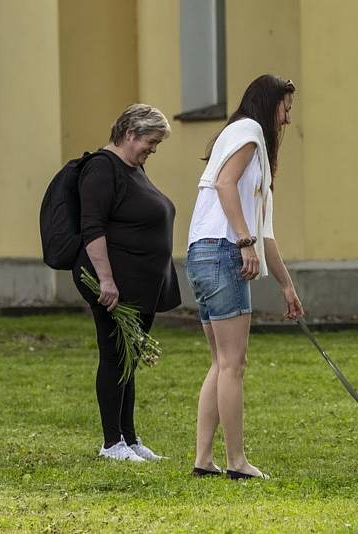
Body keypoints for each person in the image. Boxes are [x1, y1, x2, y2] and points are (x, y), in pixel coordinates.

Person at [186, 74, 304, 480]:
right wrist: (243, 241)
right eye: (285, 108)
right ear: (269, 103)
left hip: (204, 252)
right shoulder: (248, 129)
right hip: (222, 250)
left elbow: (264, 230)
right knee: (233, 364)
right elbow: (223, 184)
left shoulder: (248, 146)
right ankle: (236, 462)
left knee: (221, 362)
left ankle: (204, 460)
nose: (287, 119)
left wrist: (286, 285)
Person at [73, 103, 180, 462]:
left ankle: (129, 438)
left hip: (140, 285)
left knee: (128, 360)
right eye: (151, 141)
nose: (153, 149)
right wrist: (106, 280)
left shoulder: (133, 167)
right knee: (115, 357)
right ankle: (111, 443)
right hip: (113, 286)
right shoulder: (103, 169)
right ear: (130, 133)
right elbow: (92, 228)